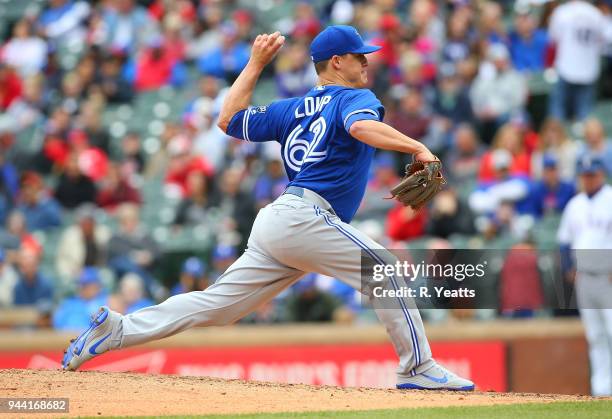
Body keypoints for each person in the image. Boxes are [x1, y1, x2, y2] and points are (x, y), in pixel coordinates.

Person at [61, 26, 474, 391]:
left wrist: (255, 63)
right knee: (381, 269)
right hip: (305, 216)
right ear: (336, 61)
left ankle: (118, 330)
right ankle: (418, 367)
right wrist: (418, 146)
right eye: (359, 56)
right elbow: (359, 126)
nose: (367, 62)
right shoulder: (355, 97)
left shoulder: (290, 107)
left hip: (282, 223)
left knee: (217, 306)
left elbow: (227, 119)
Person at [557, 155, 612, 396]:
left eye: (593, 174)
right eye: (585, 175)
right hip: (585, 278)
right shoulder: (575, 204)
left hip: (608, 275)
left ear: (602, 174)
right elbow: (564, 241)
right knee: (596, 335)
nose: (589, 179)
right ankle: (602, 390)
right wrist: (570, 267)